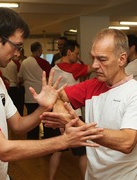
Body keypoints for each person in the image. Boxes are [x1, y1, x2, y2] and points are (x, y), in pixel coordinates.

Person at [0, 7, 104, 179]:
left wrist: (44, 107)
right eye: (17, 46)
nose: (18, 53)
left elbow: (19, 125)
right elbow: (3, 150)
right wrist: (64, 141)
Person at [41, 28, 137, 180]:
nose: (95, 65)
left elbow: (127, 142)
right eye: (93, 58)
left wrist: (77, 124)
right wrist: (60, 109)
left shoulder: (133, 92)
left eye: (102, 59)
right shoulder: (92, 85)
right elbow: (58, 95)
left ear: (122, 59)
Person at [47, 40, 94, 180]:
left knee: (57, 150)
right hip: (73, 115)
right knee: (82, 152)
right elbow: (93, 68)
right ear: (69, 52)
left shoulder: (54, 68)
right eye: (76, 53)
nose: (78, 56)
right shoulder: (72, 68)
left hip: (56, 114)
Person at [19, 41, 52, 140]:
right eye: (41, 49)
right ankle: (47, 139)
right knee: (46, 119)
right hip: (42, 96)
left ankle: (31, 140)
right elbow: (50, 76)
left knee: (32, 121)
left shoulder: (24, 62)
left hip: (29, 96)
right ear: (38, 50)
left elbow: (20, 78)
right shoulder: (43, 63)